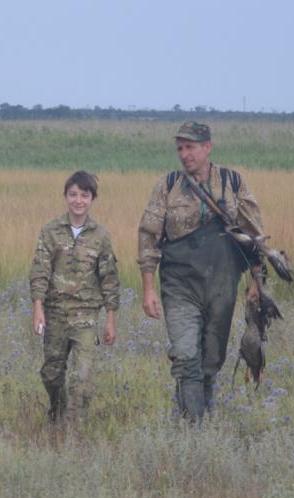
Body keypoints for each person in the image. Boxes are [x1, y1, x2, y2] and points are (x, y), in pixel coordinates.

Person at [137, 120, 269, 421]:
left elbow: (254, 234)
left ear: (207, 147)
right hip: (179, 285)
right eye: (180, 149)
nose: (184, 154)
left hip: (222, 284)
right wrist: (148, 289)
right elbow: (148, 237)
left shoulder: (232, 183)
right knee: (185, 356)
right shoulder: (167, 185)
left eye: (190, 147)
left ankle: (200, 417)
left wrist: (256, 281)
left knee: (211, 359)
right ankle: (193, 428)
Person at [29, 170, 119, 422]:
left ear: (92, 199)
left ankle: (74, 430)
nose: (78, 200)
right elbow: (40, 270)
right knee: (52, 373)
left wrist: (110, 318)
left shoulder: (101, 236)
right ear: (66, 196)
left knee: (82, 376)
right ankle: (57, 413)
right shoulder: (50, 231)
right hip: (55, 313)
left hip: (85, 316)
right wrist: (38, 308)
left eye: (84, 195)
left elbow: (109, 278)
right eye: (73, 194)